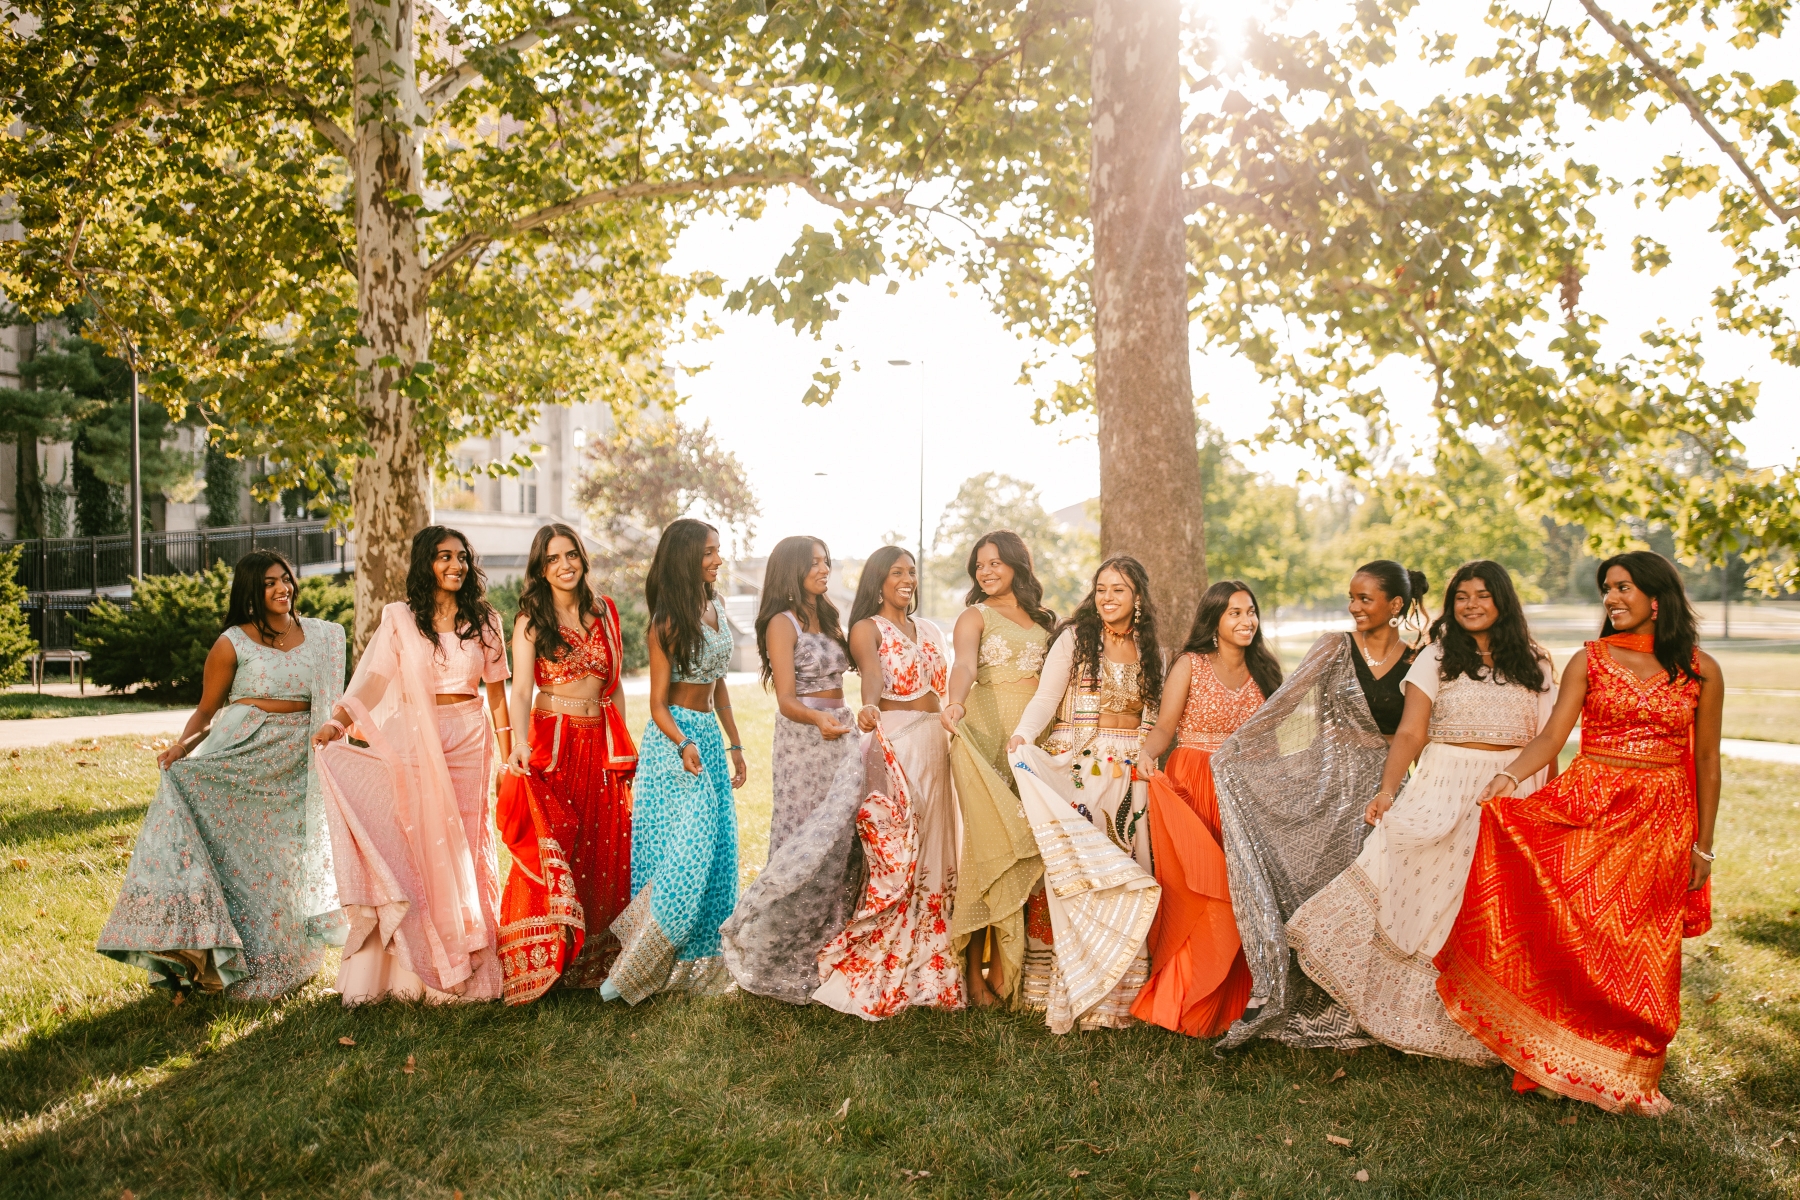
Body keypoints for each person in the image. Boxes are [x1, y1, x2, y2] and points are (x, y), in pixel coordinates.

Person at [1434, 551, 1723, 1115]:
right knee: (1580, 936)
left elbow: (1707, 762)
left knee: (1643, 947)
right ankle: (1554, 1055)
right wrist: (1508, 776)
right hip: (1588, 808)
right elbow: (1551, 737)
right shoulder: (1589, 660)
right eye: (1606, 589)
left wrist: (1703, 845)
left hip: (1661, 821)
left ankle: (1630, 1071)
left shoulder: (1701, 669)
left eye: (1622, 587)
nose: (1611, 598)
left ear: (1657, 597)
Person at [1287, 561, 1555, 1059]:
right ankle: (1414, 1013)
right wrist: (1388, 791)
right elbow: (1411, 732)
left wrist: (1547, 804)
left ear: (1503, 600)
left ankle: (1485, 1016)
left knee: (1487, 904)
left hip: (1512, 789)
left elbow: (1547, 740)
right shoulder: (1437, 657)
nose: (1471, 605)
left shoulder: (1535, 662)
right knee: (1425, 893)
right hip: (1444, 783)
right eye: (1462, 597)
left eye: (1482, 595)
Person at [98, 551, 346, 998]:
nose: (282, 588)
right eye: (269, 583)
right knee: (246, 867)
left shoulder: (323, 636)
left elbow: (338, 703)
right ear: (251, 591)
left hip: (298, 764)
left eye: (285, 579)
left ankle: (289, 961)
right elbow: (207, 710)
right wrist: (182, 748)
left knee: (285, 865)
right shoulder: (232, 642)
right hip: (243, 757)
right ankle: (233, 963)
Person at [1211, 560, 1431, 1050]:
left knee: (1380, 893)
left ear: (1395, 604)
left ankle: (1369, 1003)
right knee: (1321, 886)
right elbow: (1284, 705)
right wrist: (1235, 751)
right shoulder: (1335, 646)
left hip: (1387, 789)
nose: (1354, 607)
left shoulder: (1421, 658)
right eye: (1351, 597)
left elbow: (1421, 730)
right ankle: (1308, 993)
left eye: (1365, 599)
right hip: (1330, 784)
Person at [315, 526, 510, 1004]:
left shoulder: (485, 620)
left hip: (470, 738)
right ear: (426, 563)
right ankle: (412, 972)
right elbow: (374, 681)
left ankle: (470, 962)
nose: (456, 565)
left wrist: (509, 759)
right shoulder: (401, 619)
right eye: (444, 557)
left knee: (466, 846)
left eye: (462, 557)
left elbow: (498, 696)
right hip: (416, 739)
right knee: (418, 842)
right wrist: (338, 723)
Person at [1005, 556, 1162, 1033]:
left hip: (1129, 773)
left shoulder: (1151, 648)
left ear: (1138, 597)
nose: (1107, 597)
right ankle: (1064, 987)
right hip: (1080, 767)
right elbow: (1046, 697)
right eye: (1101, 589)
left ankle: (1117, 995)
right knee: (1077, 872)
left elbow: (1155, 715)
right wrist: (1022, 736)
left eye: (1119, 589)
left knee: (1125, 871)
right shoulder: (1076, 639)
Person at [813, 545, 965, 1018]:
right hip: (899, 744)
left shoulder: (931, 629)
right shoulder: (867, 628)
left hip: (938, 745)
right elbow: (873, 678)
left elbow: (947, 687)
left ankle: (935, 964)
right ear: (879, 580)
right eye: (897, 572)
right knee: (903, 848)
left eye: (912, 572)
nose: (907, 579)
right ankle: (886, 955)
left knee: (939, 847)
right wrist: (868, 706)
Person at [494, 523, 637, 1003]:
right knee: (559, 842)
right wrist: (517, 744)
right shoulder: (531, 620)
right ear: (541, 568)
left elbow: (616, 686)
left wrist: (623, 745)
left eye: (571, 554)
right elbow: (519, 691)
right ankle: (546, 958)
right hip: (553, 742)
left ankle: (594, 961)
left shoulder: (605, 612)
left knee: (604, 845)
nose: (564, 565)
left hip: (600, 741)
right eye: (553, 559)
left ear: (582, 558)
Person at [604, 518, 745, 1002]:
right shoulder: (665, 622)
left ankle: (701, 970)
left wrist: (735, 744)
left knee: (718, 853)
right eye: (709, 552)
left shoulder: (717, 606)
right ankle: (638, 965)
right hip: (674, 744)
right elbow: (657, 704)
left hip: (708, 737)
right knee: (684, 853)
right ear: (687, 558)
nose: (718, 559)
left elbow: (719, 685)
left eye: (718, 550)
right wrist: (684, 743)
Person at [1131, 580, 1280, 1037]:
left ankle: (1234, 998)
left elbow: (1271, 740)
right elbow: (1165, 727)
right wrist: (1147, 753)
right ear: (1214, 620)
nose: (1246, 621)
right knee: (1198, 892)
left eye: (1250, 611)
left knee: (1239, 893)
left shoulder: (1265, 670)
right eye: (1235, 612)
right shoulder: (1190, 664)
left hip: (1242, 791)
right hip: (1193, 786)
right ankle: (1184, 999)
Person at [719, 536, 862, 1003]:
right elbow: (785, 699)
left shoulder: (829, 615)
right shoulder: (782, 623)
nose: (825, 569)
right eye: (814, 563)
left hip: (841, 732)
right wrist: (818, 720)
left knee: (841, 838)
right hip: (805, 739)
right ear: (792, 569)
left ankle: (831, 943)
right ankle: (776, 948)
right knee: (803, 835)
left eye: (827, 560)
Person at [942, 531, 1054, 1008]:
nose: (985, 572)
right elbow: (964, 665)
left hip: (1030, 745)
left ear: (1015, 564)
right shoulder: (975, 615)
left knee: (1026, 849)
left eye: (994, 563)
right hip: (983, 738)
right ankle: (973, 974)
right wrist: (955, 701)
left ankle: (1013, 970)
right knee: (986, 852)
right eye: (979, 565)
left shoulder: (1045, 621)